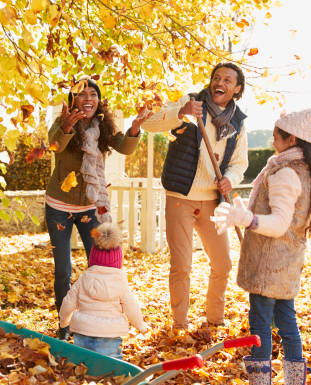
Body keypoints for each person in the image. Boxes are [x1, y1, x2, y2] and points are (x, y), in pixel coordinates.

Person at [212, 104, 311, 385]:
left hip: (269, 264)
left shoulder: (285, 174)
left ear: (291, 139)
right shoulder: (305, 170)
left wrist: (246, 219)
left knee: (259, 325)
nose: (272, 142)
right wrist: (248, 212)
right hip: (287, 262)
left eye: (276, 137)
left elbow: (279, 224)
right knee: (287, 322)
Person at [140, 62, 248, 328]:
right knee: (182, 265)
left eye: (227, 80)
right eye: (216, 77)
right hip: (181, 197)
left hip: (213, 200)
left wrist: (229, 179)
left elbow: (239, 163)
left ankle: (214, 320)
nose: (219, 83)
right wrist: (181, 112)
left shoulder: (237, 121)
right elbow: (149, 124)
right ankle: (180, 324)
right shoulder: (191, 102)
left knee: (223, 264)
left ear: (236, 89)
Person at [46, 79, 150, 340]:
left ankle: (98, 320)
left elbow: (125, 147)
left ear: (99, 101)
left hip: (91, 207)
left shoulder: (103, 127)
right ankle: (64, 324)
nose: (88, 99)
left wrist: (135, 129)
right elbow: (55, 145)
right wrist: (68, 126)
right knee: (63, 269)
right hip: (58, 207)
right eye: (82, 95)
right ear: (73, 101)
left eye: (93, 94)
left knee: (101, 266)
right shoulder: (61, 124)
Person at [59, 223, 148, 358]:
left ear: (93, 258)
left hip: (83, 330)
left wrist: (64, 321)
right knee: (111, 364)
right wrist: (140, 326)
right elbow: (131, 307)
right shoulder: (121, 283)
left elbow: (68, 302)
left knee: (82, 361)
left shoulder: (84, 279)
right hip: (109, 334)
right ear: (118, 261)